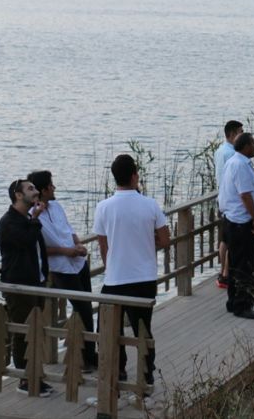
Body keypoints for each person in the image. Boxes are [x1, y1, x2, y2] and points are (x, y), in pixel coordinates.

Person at [92, 154, 171, 385]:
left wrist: (113, 264)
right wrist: (148, 244)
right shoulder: (150, 204)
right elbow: (165, 240)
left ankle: (119, 370)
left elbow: (104, 247)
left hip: (115, 278)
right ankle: (147, 375)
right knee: (143, 329)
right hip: (144, 277)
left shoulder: (104, 207)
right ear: (135, 175)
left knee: (110, 330)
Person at [27, 170, 96, 371]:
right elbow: (41, 249)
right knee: (81, 309)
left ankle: (89, 355)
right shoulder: (33, 217)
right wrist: (67, 251)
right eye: (51, 184)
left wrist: (79, 245)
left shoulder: (56, 206)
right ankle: (86, 358)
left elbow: (68, 229)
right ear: (44, 189)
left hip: (78, 262)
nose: (54, 188)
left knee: (87, 307)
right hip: (60, 269)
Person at [0, 178, 52, 397]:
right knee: (22, 333)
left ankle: (35, 375)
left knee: (36, 330)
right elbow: (27, 241)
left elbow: (37, 247)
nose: (36, 191)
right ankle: (24, 380)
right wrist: (36, 218)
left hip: (36, 283)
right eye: (30, 189)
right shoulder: (9, 221)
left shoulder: (28, 219)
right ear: (18, 195)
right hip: (19, 286)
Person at [218, 132, 254, 319]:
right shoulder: (241, 165)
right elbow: (245, 195)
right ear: (245, 146)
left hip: (231, 219)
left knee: (236, 264)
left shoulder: (233, 162)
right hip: (241, 222)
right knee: (246, 265)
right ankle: (243, 304)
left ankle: (233, 301)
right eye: (252, 144)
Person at [213, 120, 243, 289]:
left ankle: (222, 272)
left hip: (222, 198)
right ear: (231, 134)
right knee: (231, 239)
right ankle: (227, 273)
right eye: (239, 132)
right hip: (232, 201)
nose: (241, 135)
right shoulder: (232, 154)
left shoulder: (220, 151)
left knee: (225, 238)